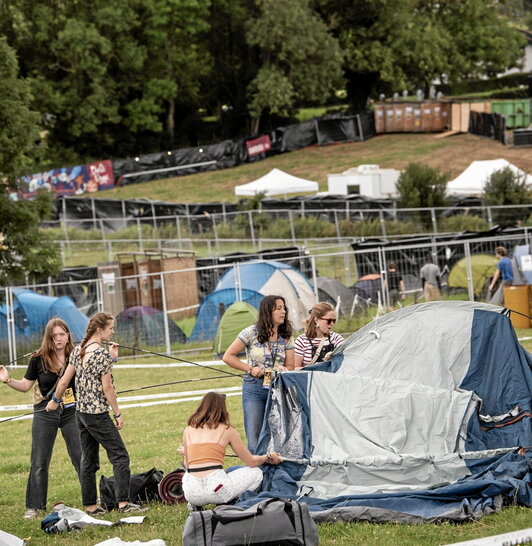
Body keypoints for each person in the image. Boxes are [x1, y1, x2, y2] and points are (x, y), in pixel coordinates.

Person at [46, 312, 145, 515]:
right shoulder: (100, 355)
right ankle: (124, 504)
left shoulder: (78, 350)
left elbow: (64, 381)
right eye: (111, 328)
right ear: (100, 330)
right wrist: (117, 414)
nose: (113, 331)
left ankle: (91, 506)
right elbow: (107, 388)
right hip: (97, 414)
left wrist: (55, 401)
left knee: (88, 461)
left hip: (80, 414)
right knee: (120, 457)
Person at [0, 318, 82, 519]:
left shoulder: (76, 356)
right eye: (54, 336)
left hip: (72, 410)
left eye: (62, 334)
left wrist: (112, 358)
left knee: (81, 455)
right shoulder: (38, 358)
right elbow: (26, 386)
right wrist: (8, 379)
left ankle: (92, 499)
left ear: (68, 335)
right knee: (39, 460)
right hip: (45, 411)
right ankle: (34, 506)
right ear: (48, 338)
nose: (58, 339)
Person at [181, 392, 282, 507]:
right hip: (217, 489)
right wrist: (268, 457)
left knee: (189, 475)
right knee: (257, 473)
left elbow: (187, 465)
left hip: (192, 492)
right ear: (222, 409)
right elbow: (251, 462)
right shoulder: (227, 430)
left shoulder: (188, 430)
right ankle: (233, 503)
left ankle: (194, 506)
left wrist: (185, 454)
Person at [223, 295, 294, 453]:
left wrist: (285, 369)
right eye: (278, 308)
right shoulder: (251, 332)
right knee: (254, 432)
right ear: (268, 311)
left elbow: (291, 365)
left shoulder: (287, 335)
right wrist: (250, 369)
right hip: (254, 387)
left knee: (277, 430)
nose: (283, 311)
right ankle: (256, 469)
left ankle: (274, 469)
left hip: (277, 387)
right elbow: (228, 356)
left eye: (284, 308)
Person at [294, 302, 344, 369]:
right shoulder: (301, 341)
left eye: (334, 321)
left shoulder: (336, 338)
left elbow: (346, 359)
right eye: (329, 321)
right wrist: (314, 368)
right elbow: (295, 368)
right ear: (316, 319)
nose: (332, 324)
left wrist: (334, 357)